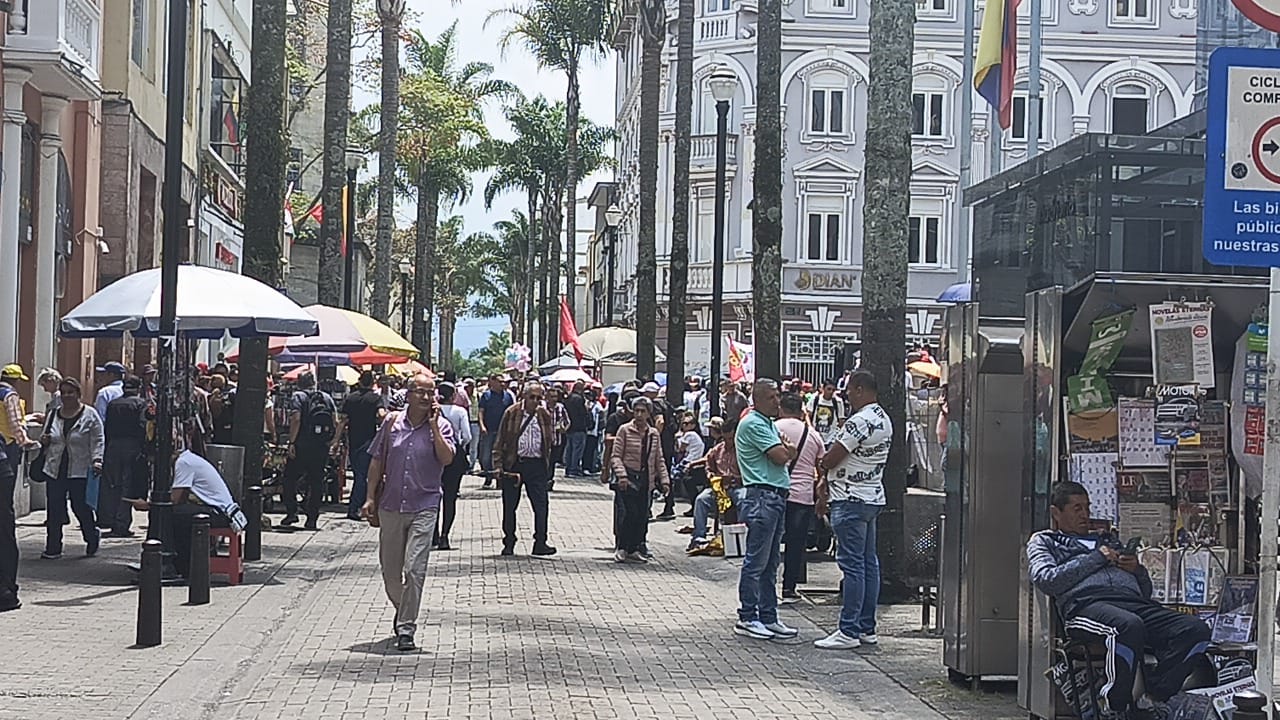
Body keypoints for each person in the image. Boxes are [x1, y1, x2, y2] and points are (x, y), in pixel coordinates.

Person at [1028, 481, 1211, 718]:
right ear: (1056, 513)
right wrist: (1096, 558)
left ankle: (1157, 694)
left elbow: (1145, 592)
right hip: (1086, 606)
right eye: (1077, 509)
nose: (1085, 515)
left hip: (1134, 604)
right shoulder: (1045, 541)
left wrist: (1136, 570)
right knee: (1127, 626)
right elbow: (1047, 579)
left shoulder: (1108, 540)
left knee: (1195, 629)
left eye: (1087, 507)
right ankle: (1114, 703)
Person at [361, 373, 455, 652]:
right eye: (421, 392)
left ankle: (406, 628)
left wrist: (435, 425)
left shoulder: (442, 425)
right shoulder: (392, 423)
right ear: (409, 394)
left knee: (414, 569)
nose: (427, 398)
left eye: (431, 393)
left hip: (425, 505)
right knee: (391, 574)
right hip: (390, 505)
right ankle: (404, 610)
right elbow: (377, 461)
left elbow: (446, 458)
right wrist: (369, 497)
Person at [815, 370, 892, 650]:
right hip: (872, 496)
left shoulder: (858, 422)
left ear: (860, 389)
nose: (845, 394)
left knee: (853, 567)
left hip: (849, 498)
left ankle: (848, 630)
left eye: (848, 389)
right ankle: (866, 627)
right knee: (869, 564)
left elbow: (833, 457)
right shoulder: (883, 419)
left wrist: (823, 464)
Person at [732, 379, 799, 640]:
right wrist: (789, 450)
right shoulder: (753, 423)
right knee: (756, 560)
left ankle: (768, 616)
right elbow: (781, 456)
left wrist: (788, 450)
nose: (777, 401)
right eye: (772, 397)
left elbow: (785, 451)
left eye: (778, 396)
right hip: (762, 495)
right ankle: (748, 615)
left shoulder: (768, 424)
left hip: (774, 495)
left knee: (770, 562)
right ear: (757, 399)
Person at [133, 447, 246, 580]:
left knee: (167, 515)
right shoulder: (190, 459)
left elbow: (176, 499)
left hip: (220, 513)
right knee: (176, 514)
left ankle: (176, 564)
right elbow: (182, 497)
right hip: (224, 512)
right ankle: (176, 562)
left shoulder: (183, 463)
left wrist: (148, 505)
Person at [40, 378, 104, 560]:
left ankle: (91, 536)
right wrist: (44, 440)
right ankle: (53, 548)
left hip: (80, 469)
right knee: (54, 509)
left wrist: (97, 460)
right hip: (55, 468)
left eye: (71, 392)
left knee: (80, 507)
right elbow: (47, 434)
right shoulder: (53, 414)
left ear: (78, 394)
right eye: (64, 392)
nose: (67, 396)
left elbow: (98, 440)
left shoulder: (90, 415)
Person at [493, 380, 557, 557]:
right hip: (515, 465)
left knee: (541, 505)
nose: (535, 401)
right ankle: (509, 542)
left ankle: (540, 542)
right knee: (510, 506)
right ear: (524, 396)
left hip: (536, 465)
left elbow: (549, 441)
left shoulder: (544, 415)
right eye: (532, 397)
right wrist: (498, 465)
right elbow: (500, 441)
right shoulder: (512, 413)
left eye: (539, 398)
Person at [609, 396, 670, 563]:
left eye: (643, 411)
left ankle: (635, 547)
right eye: (636, 411)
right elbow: (616, 456)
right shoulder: (624, 430)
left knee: (642, 516)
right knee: (629, 513)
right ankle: (622, 547)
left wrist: (664, 481)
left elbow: (659, 459)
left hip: (645, 480)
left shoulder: (653, 434)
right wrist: (621, 475)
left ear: (649, 413)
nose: (639, 414)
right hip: (628, 478)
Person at [776, 392, 823, 604]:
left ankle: (766, 586)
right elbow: (822, 467)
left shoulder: (773, 429)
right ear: (801, 411)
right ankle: (789, 588)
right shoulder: (813, 435)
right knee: (796, 544)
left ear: (781, 408)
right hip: (802, 496)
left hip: (776, 491)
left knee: (770, 541)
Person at [99, 376, 150, 538]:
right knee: (127, 484)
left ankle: (111, 520)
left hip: (113, 446)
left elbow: (106, 427)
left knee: (113, 484)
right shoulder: (141, 404)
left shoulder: (113, 404)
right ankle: (122, 523)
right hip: (132, 446)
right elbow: (143, 427)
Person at [284, 372, 336, 530]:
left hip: (302, 445)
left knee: (289, 479)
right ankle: (312, 518)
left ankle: (292, 512)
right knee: (316, 481)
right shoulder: (326, 397)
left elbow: (296, 419)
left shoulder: (298, 396)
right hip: (320, 446)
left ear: (299, 383)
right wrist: (331, 440)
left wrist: (291, 442)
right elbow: (335, 420)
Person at [333, 371, 386, 521]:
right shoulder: (375, 398)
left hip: (353, 441)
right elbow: (382, 415)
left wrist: (336, 440)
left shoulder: (351, 398)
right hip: (369, 441)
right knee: (364, 476)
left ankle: (357, 506)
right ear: (372, 382)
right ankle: (355, 508)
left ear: (360, 381)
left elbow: (342, 421)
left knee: (359, 475)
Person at [688, 417, 739, 551]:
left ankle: (742, 536)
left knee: (744, 500)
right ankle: (698, 537)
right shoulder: (718, 449)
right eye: (726, 438)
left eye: (730, 438)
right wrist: (711, 475)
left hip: (736, 486)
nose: (728, 442)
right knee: (701, 500)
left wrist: (734, 478)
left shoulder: (742, 450)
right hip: (719, 487)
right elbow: (708, 465)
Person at [434, 382, 471, 550]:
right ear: (454, 395)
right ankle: (444, 536)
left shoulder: (432, 411)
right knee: (450, 497)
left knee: (432, 495)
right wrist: (459, 446)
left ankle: (433, 534)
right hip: (454, 456)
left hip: (434, 455)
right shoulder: (460, 411)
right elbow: (467, 435)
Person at [0, 365, 38, 481]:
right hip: (8, 442)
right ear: (14, 380)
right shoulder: (10, 395)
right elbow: (14, 422)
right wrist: (24, 440)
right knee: (7, 483)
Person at [477, 374, 514, 489]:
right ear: (492, 382)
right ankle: (488, 477)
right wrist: (482, 425)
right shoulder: (486, 396)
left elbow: (512, 413)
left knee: (501, 456)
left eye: (504, 382)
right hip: (489, 430)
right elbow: (481, 412)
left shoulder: (508, 396)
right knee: (486, 456)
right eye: (499, 382)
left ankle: (500, 480)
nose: (502, 384)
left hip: (503, 431)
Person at [806, 379, 848, 443]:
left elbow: (841, 420)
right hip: (816, 435)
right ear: (823, 389)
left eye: (833, 390)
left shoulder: (838, 402)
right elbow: (808, 415)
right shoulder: (815, 399)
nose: (831, 392)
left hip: (832, 437)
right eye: (829, 389)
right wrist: (810, 427)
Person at [563, 381, 591, 477]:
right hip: (579, 427)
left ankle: (568, 468)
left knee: (569, 448)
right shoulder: (579, 399)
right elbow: (583, 413)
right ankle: (573, 469)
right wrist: (587, 409)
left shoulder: (568, 398)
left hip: (569, 426)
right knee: (577, 449)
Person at [546, 386, 570, 479]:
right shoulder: (542, 407)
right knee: (544, 462)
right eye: (551, 397)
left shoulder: (560, 407)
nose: (554, 399)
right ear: (547, 397)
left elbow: (568, 421)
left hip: (556, 440)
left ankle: (549, 480)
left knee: (552, 462)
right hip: (545, 441)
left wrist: (564, 429)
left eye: (555, 397)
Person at [583, 384, 604, 475]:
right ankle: (588, 467)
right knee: (590, 450)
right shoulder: (597, 404)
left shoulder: (584, 403)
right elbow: (602, 413)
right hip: (593, 431)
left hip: (585, 430)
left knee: (586, 450)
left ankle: (585, 466)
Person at [462, 378, 482, 473]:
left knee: (473, 447)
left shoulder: (478, 395)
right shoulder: (461, 395)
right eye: (466, 386)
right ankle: (462, 464)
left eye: (470, 385)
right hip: (464, 423)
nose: (468, 388)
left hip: (474, 423)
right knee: (463, 444)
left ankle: (471, 466)